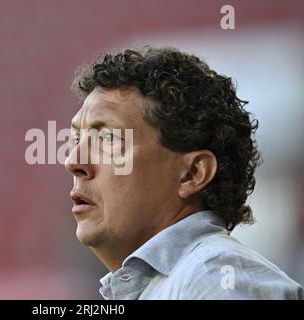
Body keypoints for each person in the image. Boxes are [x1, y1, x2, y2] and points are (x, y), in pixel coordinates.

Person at [64, 46, 303, 299]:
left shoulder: (214, 278)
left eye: (108, 137)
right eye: (77, 138)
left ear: (192, 173)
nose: (73, 161)